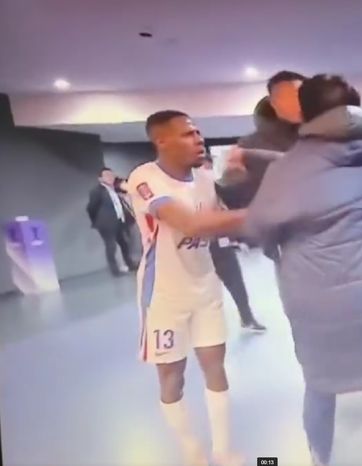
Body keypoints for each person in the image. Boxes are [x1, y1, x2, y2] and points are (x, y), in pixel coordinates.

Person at [244, 74, 362, 466]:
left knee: (319, 387)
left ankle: (320, 459)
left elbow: (258, 230)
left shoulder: (287, 172)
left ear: (305, 111)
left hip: (318, 306)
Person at [126, 110, 245, 466]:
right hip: (164, 295)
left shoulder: (205, 180)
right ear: (161, 141)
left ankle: (222, 451)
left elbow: (222, 223)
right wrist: (261, 213)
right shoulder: (144, 178)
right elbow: (190, 224)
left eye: (198, 132)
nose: (199, 139)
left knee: (215, 367)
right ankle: (191, 449)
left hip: (205, 286)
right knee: (172, 378)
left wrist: (239, 183)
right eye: (188, 134)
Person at [217, 70, 306, 210]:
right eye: (284, 97)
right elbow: (235, 202)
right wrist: (234, 179)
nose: (293, 102)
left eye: (298, 95)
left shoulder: (328, 134)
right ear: (272, 102)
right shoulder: (248, 145)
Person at [201, 156, 266, 332]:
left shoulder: (218, 190)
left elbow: (232, 209)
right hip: (199, 248)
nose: (206, 172)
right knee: (203, 289)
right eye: (202, 169)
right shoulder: (188, 194)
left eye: (208, 168)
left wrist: (237, 239)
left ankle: (247, 318)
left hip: (221, 245)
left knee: (236, 282)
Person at [86, 167, 138, 276]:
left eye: (111, 175)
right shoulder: (97, 191)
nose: (110, 177)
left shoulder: (114, 189)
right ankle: (115, 271)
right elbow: (91, 208)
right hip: (106, 224)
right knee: (111, 246)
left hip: (119, 221)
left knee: (124, 243)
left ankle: (130, 264)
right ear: (100, 179)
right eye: (107, 175)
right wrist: (98, 220)